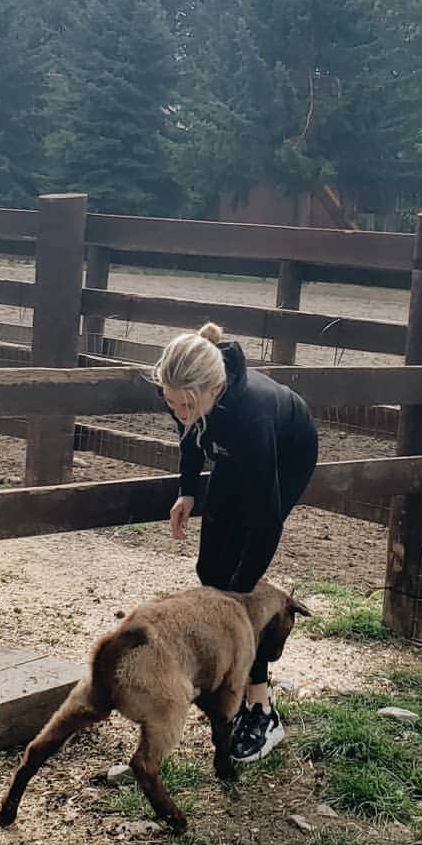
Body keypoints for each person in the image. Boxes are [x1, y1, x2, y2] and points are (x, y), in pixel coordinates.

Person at [154, 322, 318, 762]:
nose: (177, 408)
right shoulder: (185, 394)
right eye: (172, 402)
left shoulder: (252, 416)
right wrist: (187, 489)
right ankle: (230, 669)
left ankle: (261, 710)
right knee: (210, 570)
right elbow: (190, 432)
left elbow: (267, 521)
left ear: (216, 387)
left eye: (186, 402)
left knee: (235, 584)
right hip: (233, 447)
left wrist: (240, 595)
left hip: (284, 454)